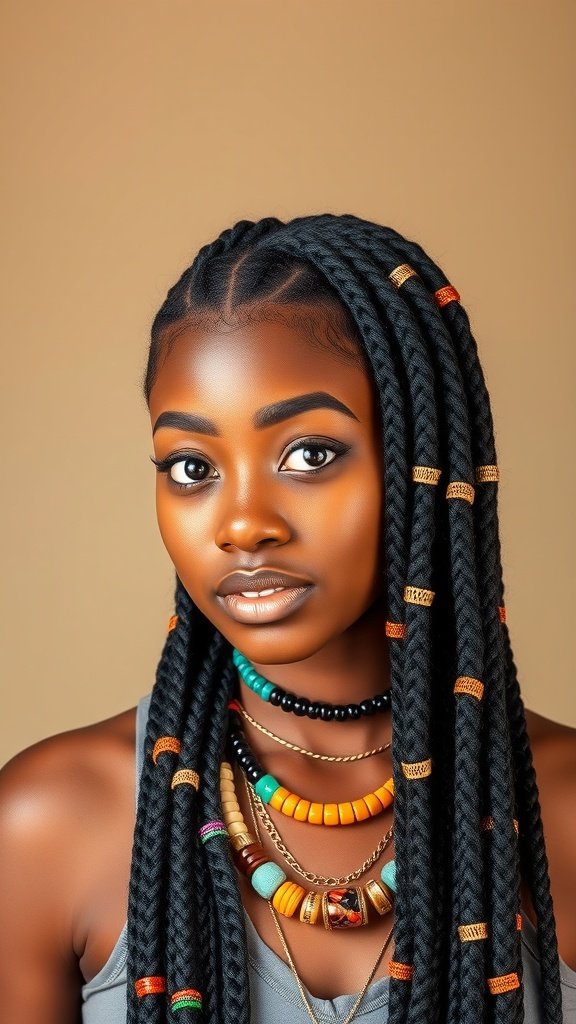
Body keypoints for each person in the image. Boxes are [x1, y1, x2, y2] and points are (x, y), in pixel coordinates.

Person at [0, 214, 575, 1024]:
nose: (242, 523)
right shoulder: (48, 826)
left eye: (310, 454)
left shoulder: (561, 811)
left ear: (424, 462)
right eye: (191, 467)